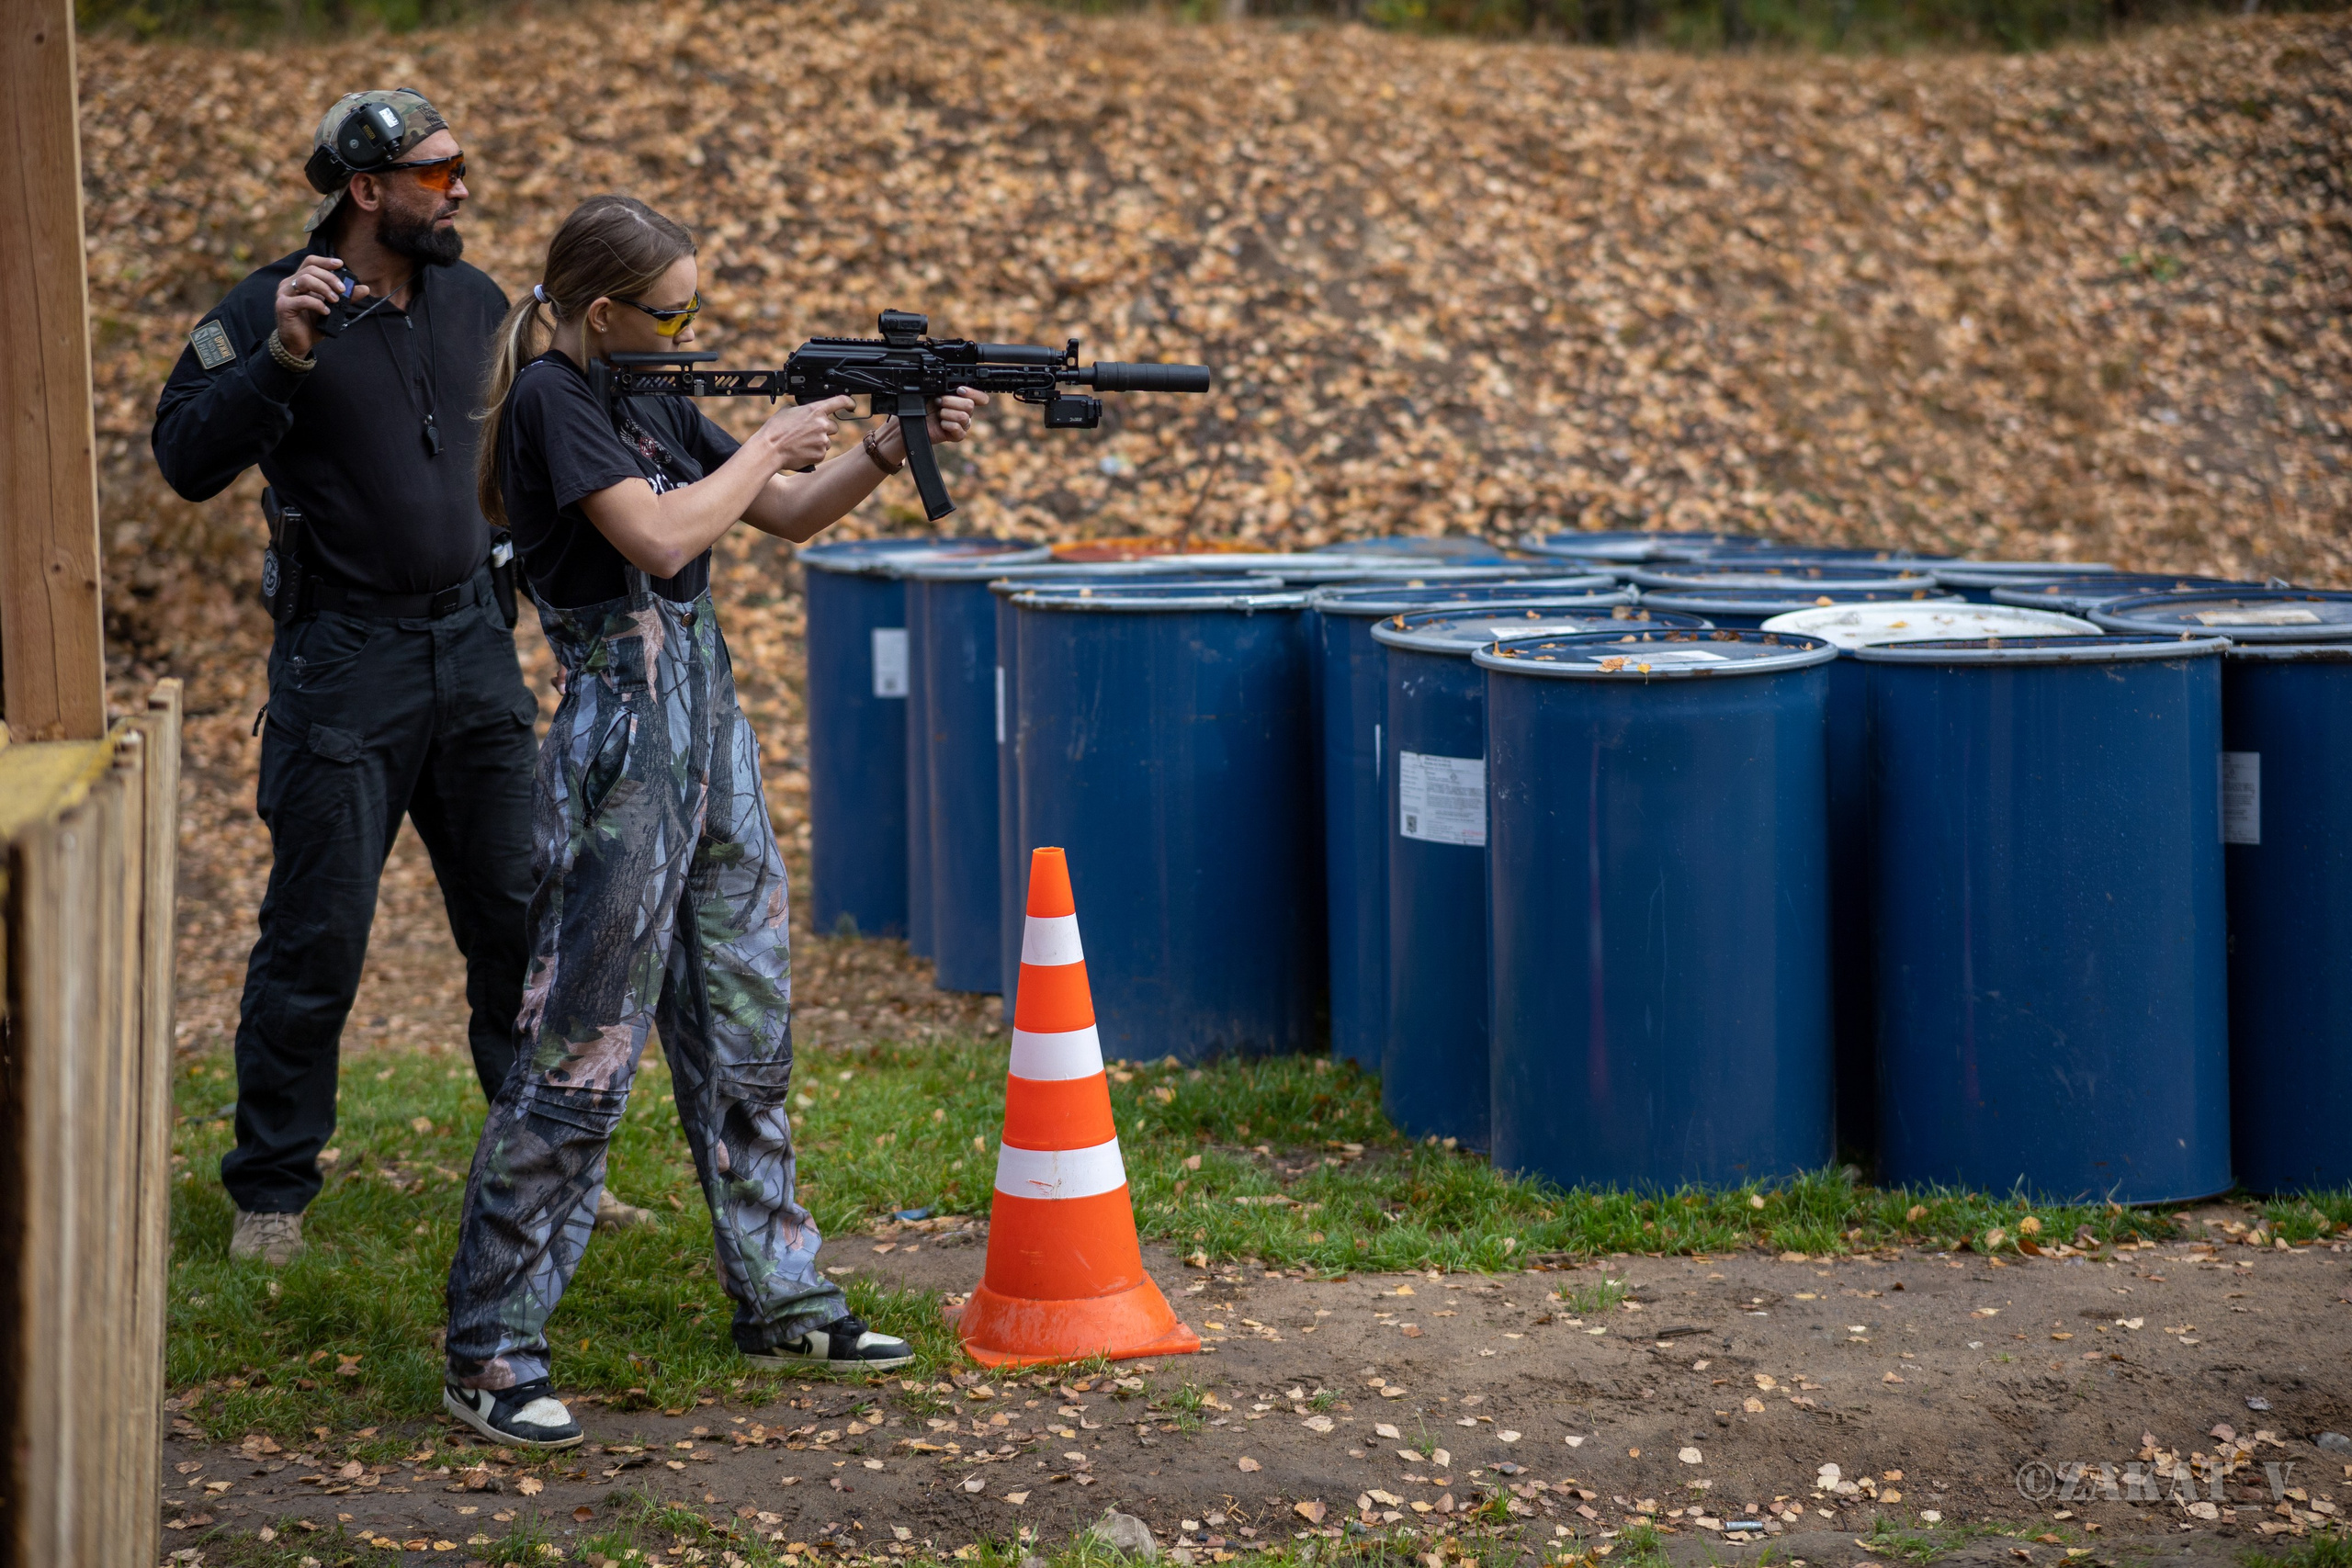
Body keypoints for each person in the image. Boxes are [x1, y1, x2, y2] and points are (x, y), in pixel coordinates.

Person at [439, 195, 985, 1448]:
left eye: (695, 309)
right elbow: (664, 527)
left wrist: (885, 452)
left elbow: (784, 515)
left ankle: (782, 1292)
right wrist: (765, 444)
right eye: (672, 311)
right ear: (601, 313)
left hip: (709, 732)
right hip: (622, 743)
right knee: (580, 1053)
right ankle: (492, 1344)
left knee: (746, 1023)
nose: (689, 332)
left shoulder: (651, 392)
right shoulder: (554, 402)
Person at [149, 89, 647, 1268]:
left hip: (474, 648)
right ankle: (270, 1195)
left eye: (458, 167)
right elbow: (184, 459)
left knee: (517, 923)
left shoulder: (477, 300)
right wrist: (280, 356)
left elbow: (555, 419)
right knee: (315, 936)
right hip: (343, 665)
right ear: (366, 191)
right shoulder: (276, 305)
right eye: (439, 173)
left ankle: (546, 1159)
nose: (462, 189)